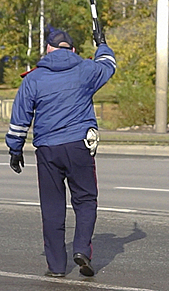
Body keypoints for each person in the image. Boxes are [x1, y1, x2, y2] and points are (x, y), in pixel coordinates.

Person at [6, 27, 115, 278]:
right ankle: (81, 249)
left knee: (52, 207)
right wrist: (102, 44)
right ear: (74, 50)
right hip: (79, 145)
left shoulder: (33, 78)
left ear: (48, 49)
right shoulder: (86, 70)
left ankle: (56, 267)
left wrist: (15, 149)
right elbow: (108, 65)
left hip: (47, 150)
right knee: (85, 199)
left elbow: (20, 118)